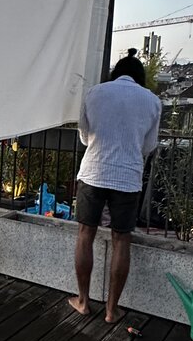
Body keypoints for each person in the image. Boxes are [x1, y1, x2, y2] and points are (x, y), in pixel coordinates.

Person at [69, 48, 161, 323]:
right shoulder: (153, 101)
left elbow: (85, 137)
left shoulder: (94, 93)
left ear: (116, 73)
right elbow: (149, 146)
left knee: (86, 234)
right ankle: (111, 310)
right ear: (139, 77)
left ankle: (83, 301)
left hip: (94, 173)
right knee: (122, 240)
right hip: (128, 177)